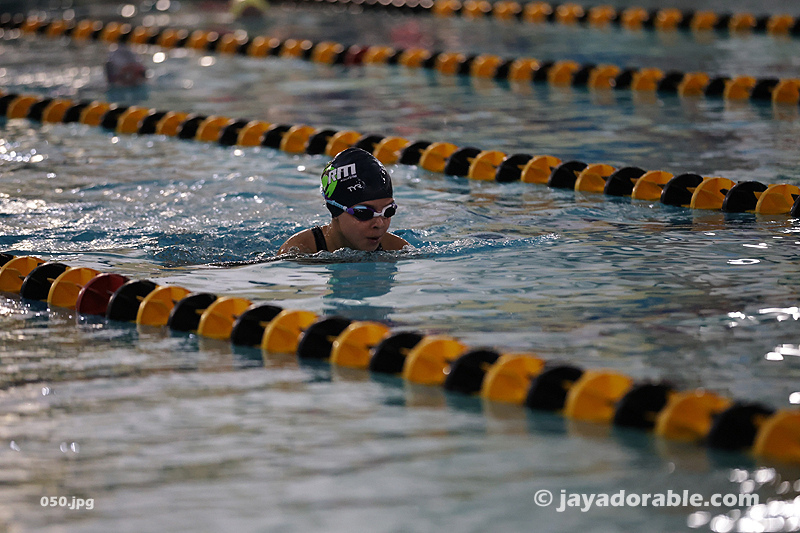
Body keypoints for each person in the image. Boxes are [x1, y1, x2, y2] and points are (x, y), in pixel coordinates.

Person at [278, 148, 409, 255]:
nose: (379, 224)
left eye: (388, 211)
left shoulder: (397, 249)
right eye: (364, 213)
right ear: (335, 210)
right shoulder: (299, 252)